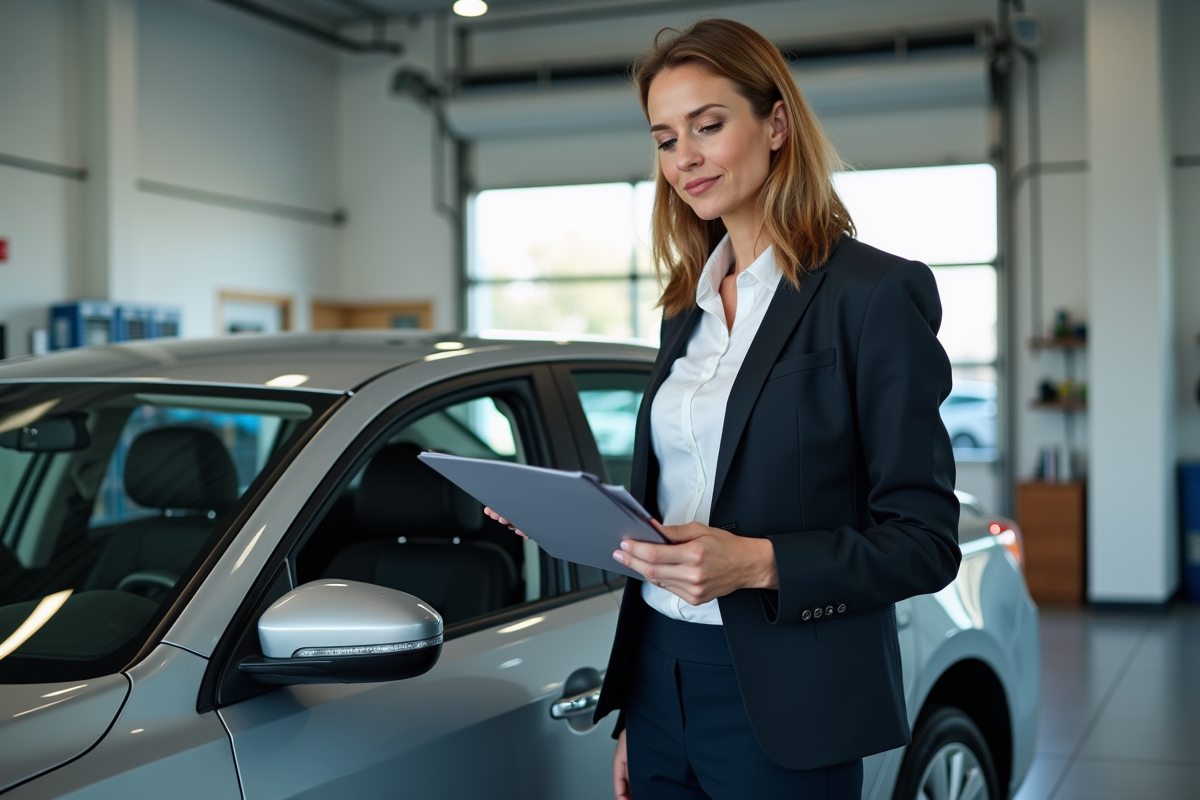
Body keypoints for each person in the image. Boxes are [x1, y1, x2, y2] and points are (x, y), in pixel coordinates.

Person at [490, 18, 961, 800]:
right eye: (667, 138)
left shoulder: (873, 295)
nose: (687, 159)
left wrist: (758, 562)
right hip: (659, 679)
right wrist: (568, 517)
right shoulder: (688, 306)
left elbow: (924, 541)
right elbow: (681, 509)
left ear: (776, 124)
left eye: (709, 126)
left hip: (790, 696)